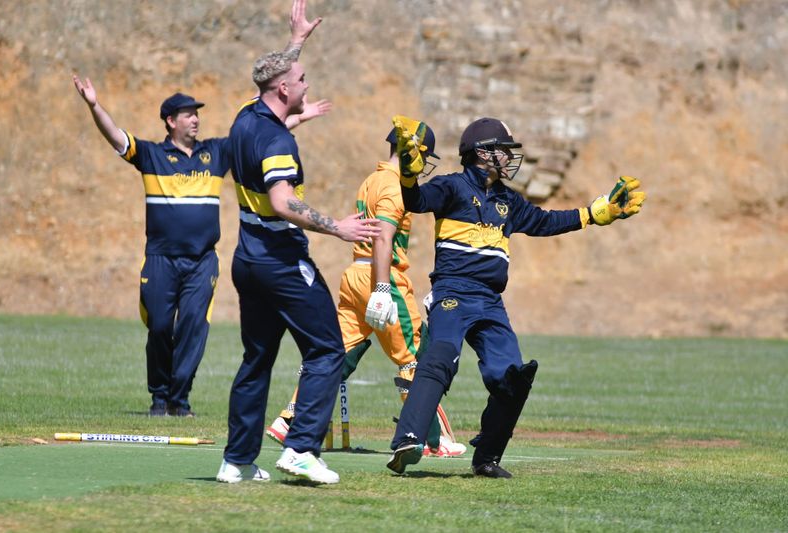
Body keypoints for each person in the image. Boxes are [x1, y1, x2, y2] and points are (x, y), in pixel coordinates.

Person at [72, 0, 330, 418]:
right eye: (188, 114)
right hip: (160, 259)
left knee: (194, 327)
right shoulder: (152, 155)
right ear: (170, 120)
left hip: (201, 261)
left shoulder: (216, 152)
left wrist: (300, 113)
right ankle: (158, 394)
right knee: (159, 326)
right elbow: (117, 137)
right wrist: (94, 106)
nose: (195, 119)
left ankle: (179, 398)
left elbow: (262, 120)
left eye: (196, 114)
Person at [386, 116, 646, 478]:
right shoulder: (451, 187)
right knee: (441, 357)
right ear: (481, 153)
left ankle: (487, 459)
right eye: (504, 151)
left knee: (513, 376)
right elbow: (415, 200)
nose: (509, 158)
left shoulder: (509, 200)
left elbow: (545, 221)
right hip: (453, 293)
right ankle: (407, 440)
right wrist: (408, 175)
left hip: (490, 301)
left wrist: (593, 214)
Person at [215, 29, 381, 483]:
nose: (308, 86)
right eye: (303, 79)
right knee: (328, 349)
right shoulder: (277, 143)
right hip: (281, 262)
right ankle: (301, 449)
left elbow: (273, 79)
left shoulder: (246, 117)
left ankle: (237, 461)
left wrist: (295, 42)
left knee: (258, 358)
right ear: (285, 89)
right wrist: (338, 228)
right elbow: (283, 202)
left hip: (248, 260)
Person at [265, 118, 466, 458]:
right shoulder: (394, 187)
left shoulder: (371, 180)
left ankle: (289, 420)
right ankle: (432, 439)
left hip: (354, 276)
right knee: (415, 358)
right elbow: (383, 237)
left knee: (336, 355)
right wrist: (384, 288)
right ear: (413, 152)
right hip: (381, 276)